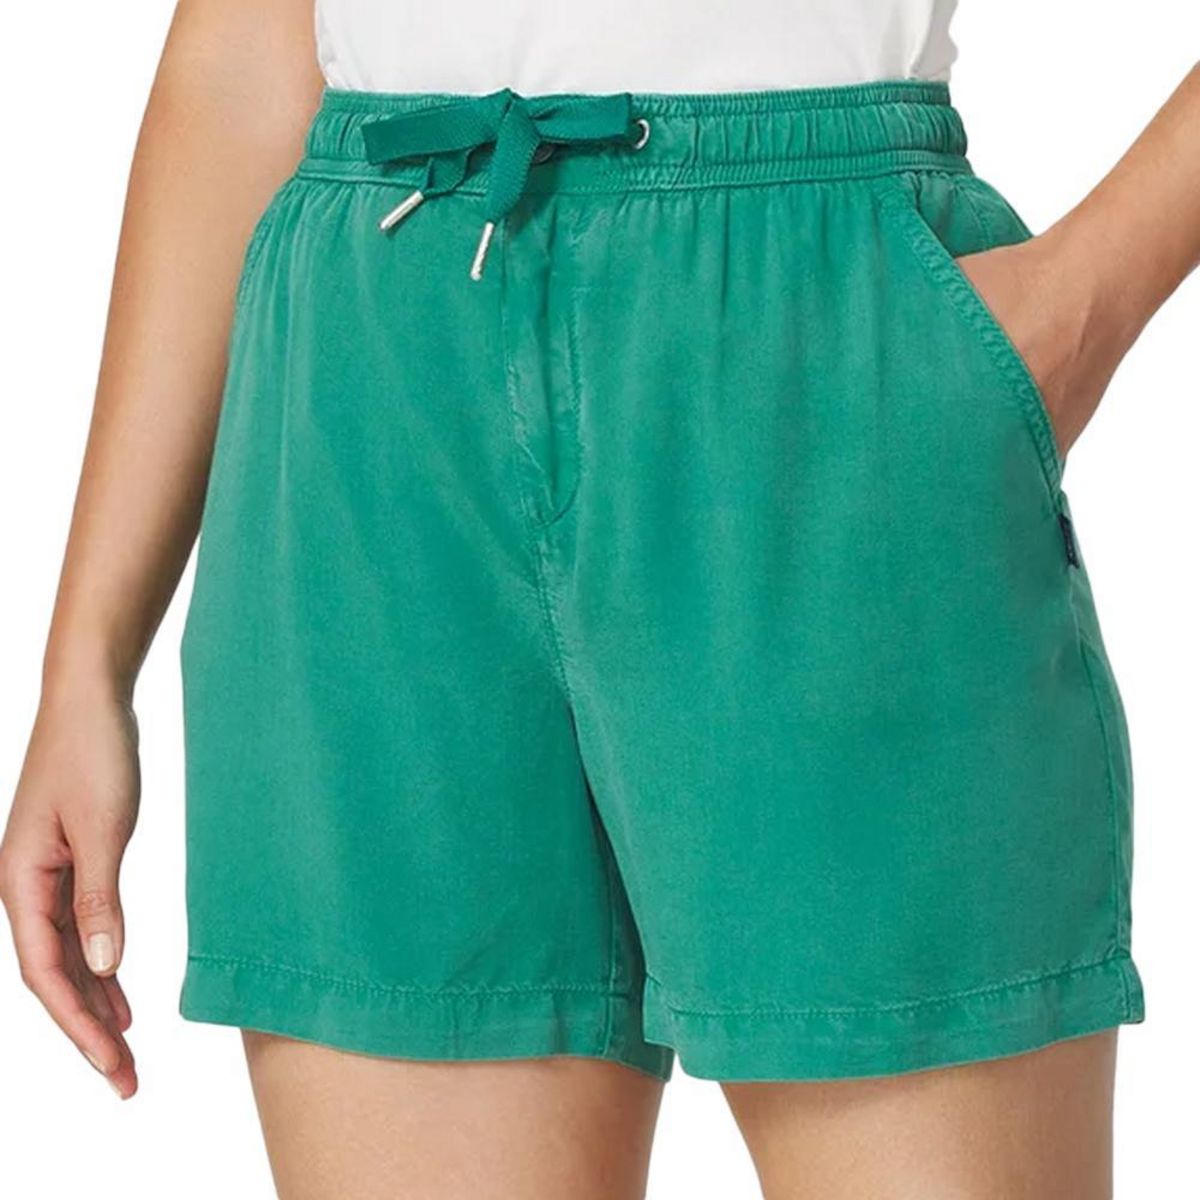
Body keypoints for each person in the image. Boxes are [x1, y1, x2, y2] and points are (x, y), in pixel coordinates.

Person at [1, 1, 1195, 1195]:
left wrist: (1077, 311)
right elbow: (244, 49)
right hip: (370, 388)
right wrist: (86, 663)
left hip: (811, 349)